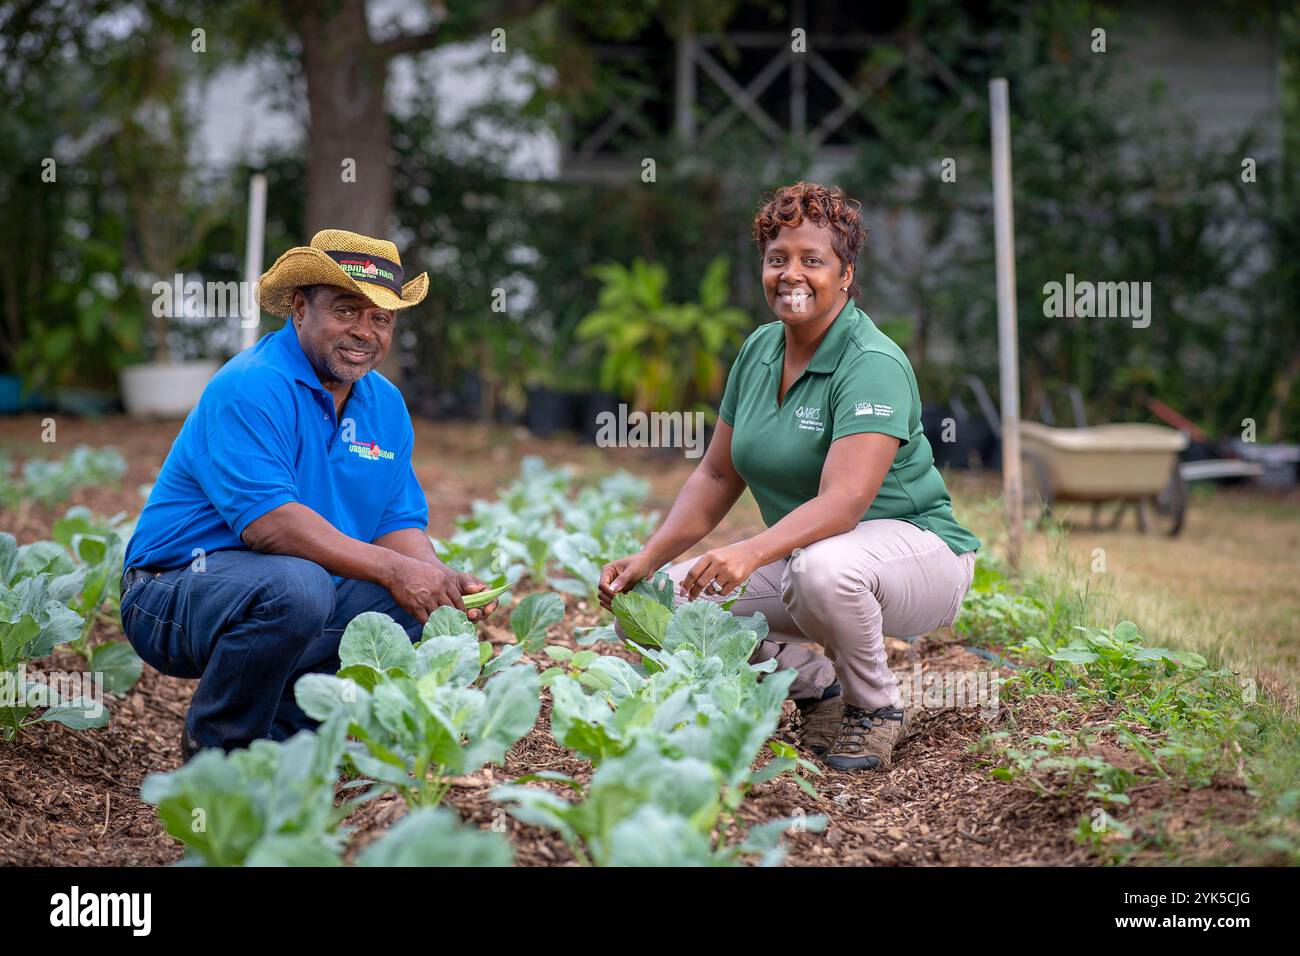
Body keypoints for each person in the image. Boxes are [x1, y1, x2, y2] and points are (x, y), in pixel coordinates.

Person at [598, 183, 981, 772]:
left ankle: (875, 709)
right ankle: (817, 690)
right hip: (813, 562)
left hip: (919, 559)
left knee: (822, 569)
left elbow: (845, 503)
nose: (791, 274)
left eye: (813, 260)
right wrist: (647, 559)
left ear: (845, 275)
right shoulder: (759, 351)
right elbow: (718, 473)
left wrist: (750, 551)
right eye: (778, 259)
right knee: (660, 608)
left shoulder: (871, 362)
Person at [119, 229, 499, 759]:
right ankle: (219, 753)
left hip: (288, 584)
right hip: (174, 590)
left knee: (411, 603)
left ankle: (281, 746)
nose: (364, 331)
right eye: (347, 311)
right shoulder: (250, 385)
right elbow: (270, 526)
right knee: (299, 590)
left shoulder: (384, 405)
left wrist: (437, 581)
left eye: (380, 318)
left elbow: (396, 525)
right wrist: (395, 571)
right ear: (300, 308)